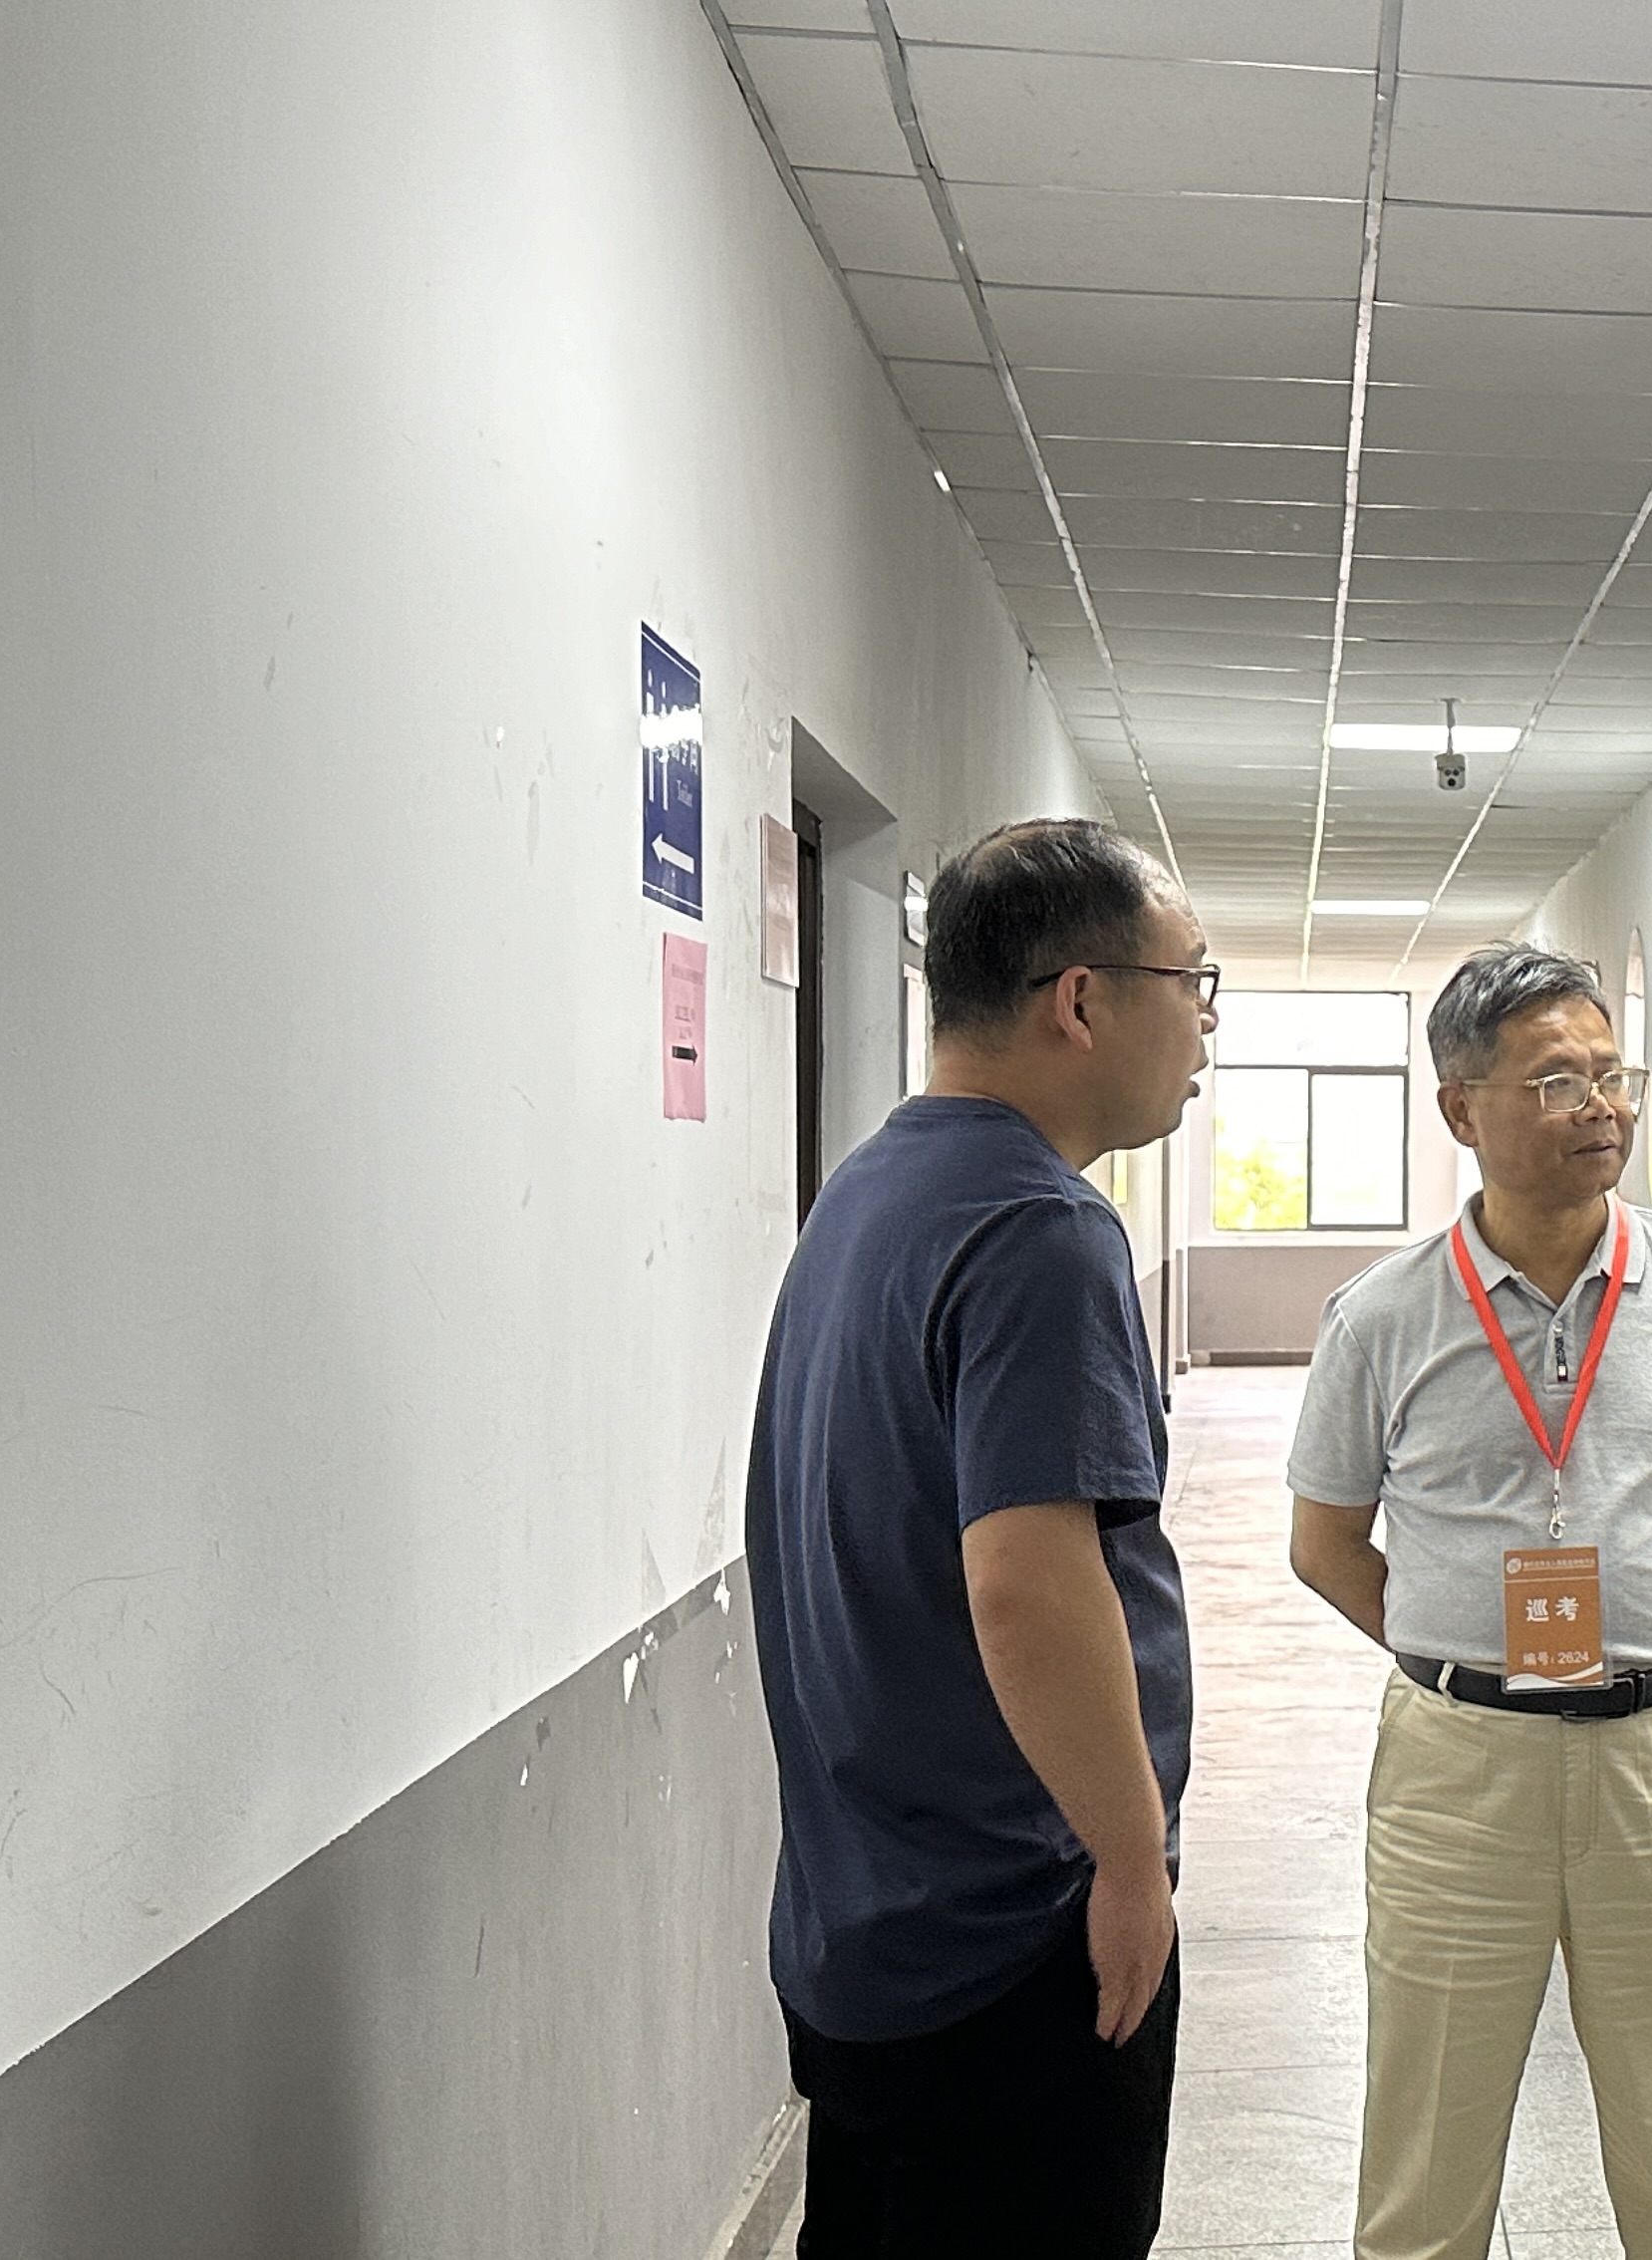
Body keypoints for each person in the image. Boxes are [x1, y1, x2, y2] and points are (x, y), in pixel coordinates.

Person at [741, 817, 1216, 2258]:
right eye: (1191, 983)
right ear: (1081, 1000)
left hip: (864, 1916)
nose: (1204, 1024)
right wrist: (1128, 1861)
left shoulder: (866, 1192)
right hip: (1009, 1934)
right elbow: (1027, 1587)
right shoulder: (1038, 1229)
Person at [1286, 943, 1652, 2260]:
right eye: (1558, 1081)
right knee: (1427, 2160)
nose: (1601, 1107)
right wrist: (1457, 1646)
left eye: (1612, 1075)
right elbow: (1325, 1543)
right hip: (1459, 1769)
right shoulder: (1384, 1316)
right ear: (1462, 1109)